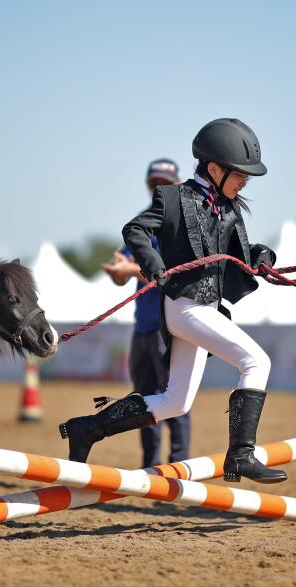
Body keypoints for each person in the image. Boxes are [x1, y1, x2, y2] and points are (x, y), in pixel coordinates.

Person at [59, 118, 286, 484]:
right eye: (241, 174)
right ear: (214, 169)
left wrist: (264, 258)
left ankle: (87, 429)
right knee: (256, 361)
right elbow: (134, 229)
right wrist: (154, 267)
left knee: (174, 402)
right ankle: (241, 454)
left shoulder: (229, 208)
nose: (246, 181)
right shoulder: (173, 198)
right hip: (184, 307)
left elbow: (244, 252)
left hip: (206, 311)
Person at [100, 158, 191, 468]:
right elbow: (125, 270)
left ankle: (179, 466)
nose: (158, 188)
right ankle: (150, 467)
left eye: (164, 183)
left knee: (175, 400)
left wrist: (128, 268)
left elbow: (170, 271)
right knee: (144, 399)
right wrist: (118, 271)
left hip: (170, 328)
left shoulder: (182, 225)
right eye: (154, 183)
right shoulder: (143, 221)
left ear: (177, 184)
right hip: (143, 329)